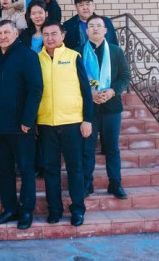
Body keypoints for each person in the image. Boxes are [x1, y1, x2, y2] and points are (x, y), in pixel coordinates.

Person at [0, 20, 43, 230]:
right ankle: (10, 209)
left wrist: (28, 120)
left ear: (16, 34)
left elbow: (35, 89)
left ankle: (26, 210)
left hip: (21, 127)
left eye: (7, 32)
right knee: (3, 171)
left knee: (26, 169)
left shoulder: (27, 56)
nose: (2, 36)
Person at [37, 20, 93, 227]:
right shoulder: (36, 59)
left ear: (62, 35)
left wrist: (87, 119)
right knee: (50, 169)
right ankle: (55, 210)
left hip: (72, 122)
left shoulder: (73, 57)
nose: (50, 38)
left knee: (75, 169)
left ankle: (78, 209)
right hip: (46, 123)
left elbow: (86, 91)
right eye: (46, 35)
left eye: (54, 34)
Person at [81, 14, 131, 200]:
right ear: (86, 31)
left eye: (98, 26)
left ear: (105, 30)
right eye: (91, 26)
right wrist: (89, 94)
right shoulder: (78, 52)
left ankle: (115, 183)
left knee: (112, 148)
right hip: (89, 109)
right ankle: (87, 183)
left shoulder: (116, 52)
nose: (95, 28)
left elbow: (125, 76)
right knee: (87, 148)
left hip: (112, 108)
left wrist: (112, 91)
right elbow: (75, 80)